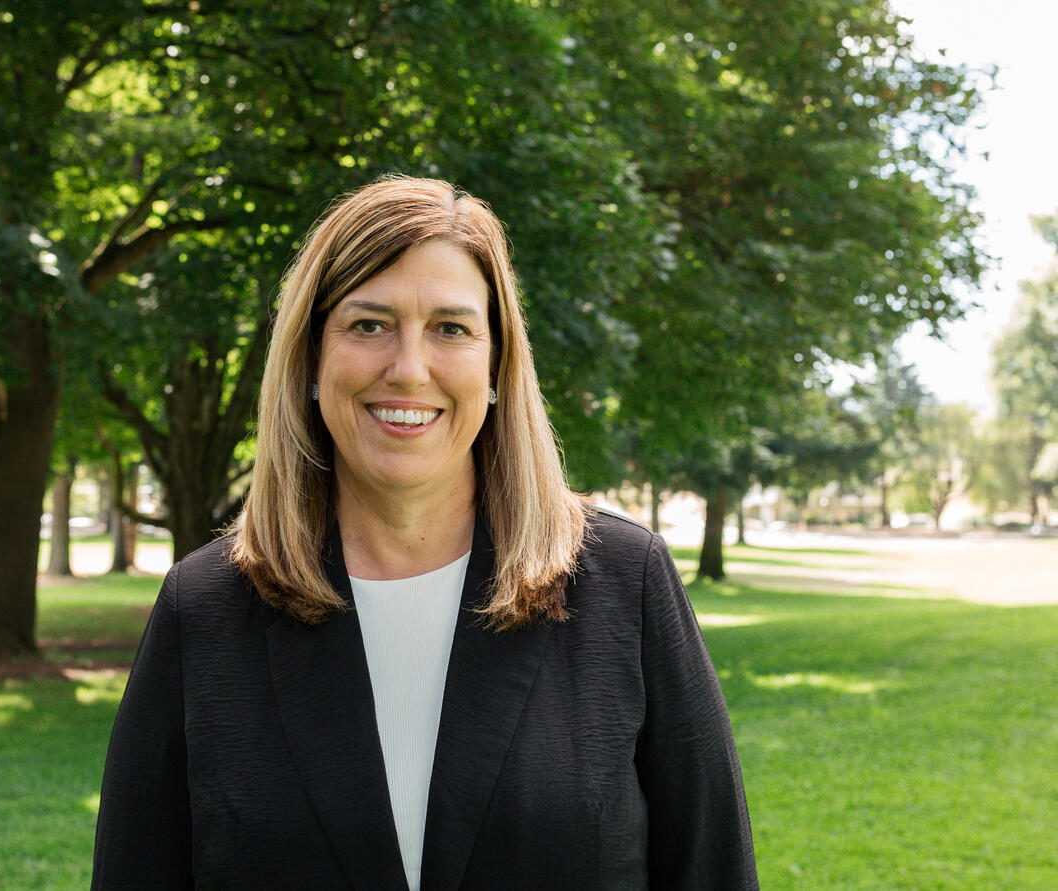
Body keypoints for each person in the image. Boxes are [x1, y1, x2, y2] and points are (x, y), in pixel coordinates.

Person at [91, 176, 757, 889]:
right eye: (369, 324)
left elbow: (712, 870)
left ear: (497, 365)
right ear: (312, 360)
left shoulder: (627, 584)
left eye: (451, 328)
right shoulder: (203, 609)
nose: (409, 369)